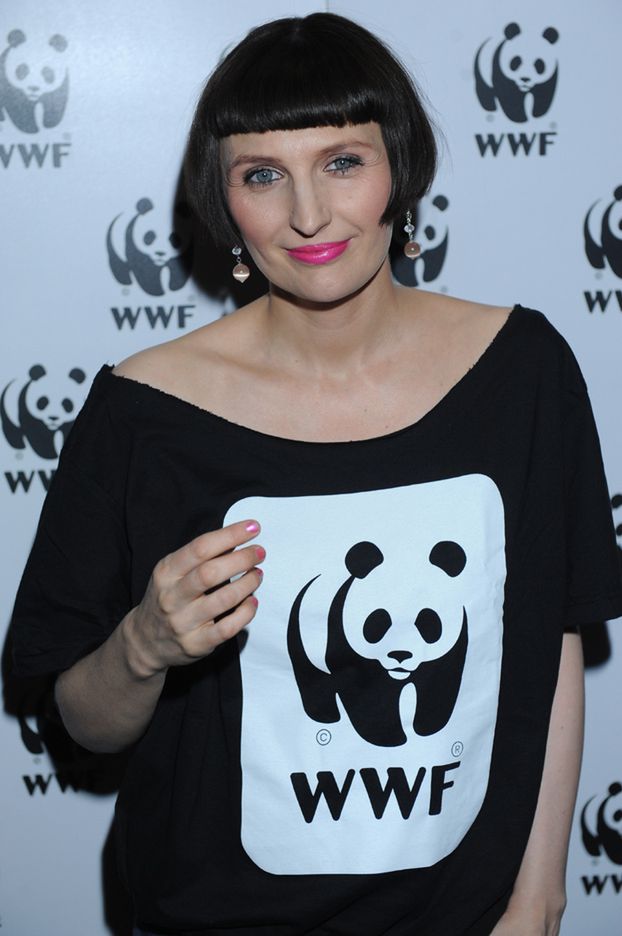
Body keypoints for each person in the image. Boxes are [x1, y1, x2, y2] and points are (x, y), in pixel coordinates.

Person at [10, 12, 622, 936]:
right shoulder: (142, 411)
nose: (308, 214)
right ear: (223, 201)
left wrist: (539, 897)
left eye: (342, 162)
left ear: (398, 171)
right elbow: (83, 723)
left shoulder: (524, 372)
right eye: (263, 175)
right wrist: (143, 646)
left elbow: (549, 643)